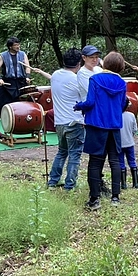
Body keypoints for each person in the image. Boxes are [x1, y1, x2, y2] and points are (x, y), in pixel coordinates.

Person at [74, 52, 127, 211]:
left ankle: (94, 199)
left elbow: (90, 102)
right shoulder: (122, 83)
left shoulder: (95, 79)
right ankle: (115, 197)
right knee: (115, 161)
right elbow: (123, 104)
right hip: (114, 126)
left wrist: (79, 106)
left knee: (95, 163)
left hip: (97, 125)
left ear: (106, 64)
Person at [47, 48, 85, 191]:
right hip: (75, 122)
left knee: (62, 152)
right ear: (79, 63)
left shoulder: (55, 75)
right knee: (75, 154)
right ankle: (70, 185)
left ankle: (53, 181)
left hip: (59, 122)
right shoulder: (77, 80)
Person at [0, 37, 31, 118]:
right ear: (10, 47)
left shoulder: (22, 54)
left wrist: (27, 77)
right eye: (16, 45)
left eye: (18, 44)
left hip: (21, 81)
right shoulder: (3, 55)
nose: (18, 47)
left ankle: (25, 116)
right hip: (8, 81)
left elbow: (27, 67)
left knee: (26, 98)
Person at [120, 107, 138, 190]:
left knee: (121, 163)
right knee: (132, 161)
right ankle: (136, 183)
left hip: (119, 144)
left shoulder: (116, 115)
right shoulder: (131, 115)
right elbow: (135, 129)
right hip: (130, 142)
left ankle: (123, 184)